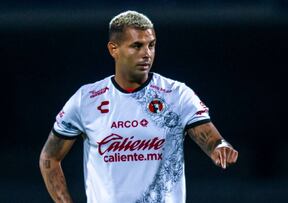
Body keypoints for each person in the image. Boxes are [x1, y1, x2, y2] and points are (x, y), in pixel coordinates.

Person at [39, 10, 238, 203]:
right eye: (137, 46)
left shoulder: (176, 95)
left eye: (151, 45)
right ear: (113, 49)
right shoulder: (87, 99)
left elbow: (211, 139)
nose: (147, 54)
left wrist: (219, 146)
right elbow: (50, 157)